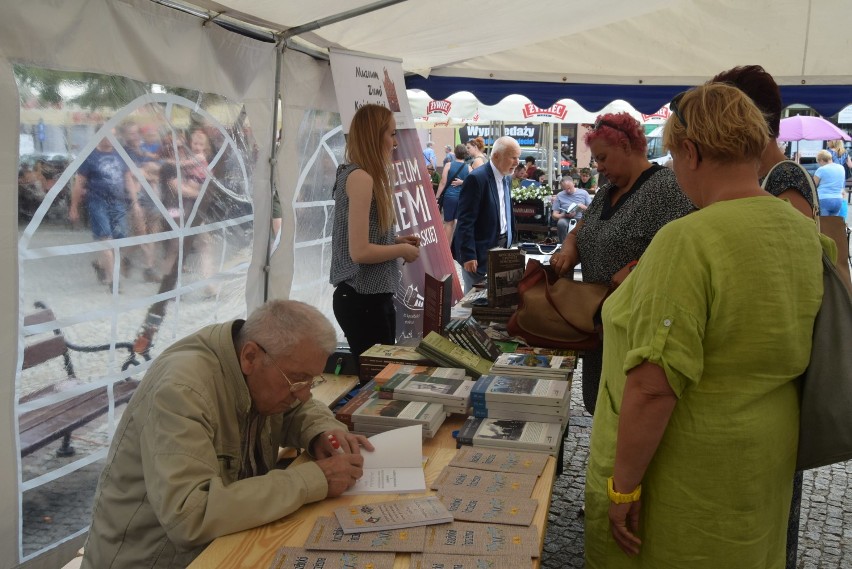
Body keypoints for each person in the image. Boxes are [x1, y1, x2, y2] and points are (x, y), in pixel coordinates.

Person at [584, 82, 824, 569]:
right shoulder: (800, 230)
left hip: (688, 469)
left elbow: (654, 387)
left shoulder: (688, 238)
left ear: (690, 152)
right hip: (763, 456)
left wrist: (623, 486)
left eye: (673, 157)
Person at [81, 300, 372, 569]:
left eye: (312, 380)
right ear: (250, 357)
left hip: (219, 547)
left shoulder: (255, 368)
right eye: (297, 380)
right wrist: (312, 480)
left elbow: (295, 410)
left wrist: (322, 430)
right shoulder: (182, 389)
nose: (305, 393)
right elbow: (191, 515)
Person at [710, 64, 819, 569]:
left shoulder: (785, 179)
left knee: (771, 526)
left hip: (777, 385)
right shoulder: (768, 178)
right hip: (757, 388)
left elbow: (787, 288)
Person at [550, 112, 694, 414]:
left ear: (627, 146)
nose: (599, 167)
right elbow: (579, 232)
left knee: (629, 411)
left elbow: (685, 249)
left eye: (603, 158)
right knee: (600, 406)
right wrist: (567, 250)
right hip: (598, 324)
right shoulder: (605, 192)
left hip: (637, 331)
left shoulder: (668, 188)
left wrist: (638, 268)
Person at [330, 104, 420, 361]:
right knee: (376, 382)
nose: (394, 142)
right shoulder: (361, 178)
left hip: (370, 299)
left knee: (379, 377)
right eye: (391, 134)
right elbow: (359, 251)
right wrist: (401, 249)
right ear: (374, 135)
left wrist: (395, 240)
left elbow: (361, 238)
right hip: (361, 300)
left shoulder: (364, 176)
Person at [453, 135, 521, 292]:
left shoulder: (507, 178)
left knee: (500, 297)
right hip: (480, 254)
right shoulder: (477, 179)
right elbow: (465, 221)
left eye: (518, 158)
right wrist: (469, 254)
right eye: (513, 157)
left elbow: (505, 210)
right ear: (497, 156)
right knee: (476, 303)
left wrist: (512, 242)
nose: (517, 163)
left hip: (504, 248)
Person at [70, 130, 136, 290]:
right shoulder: (90, 157)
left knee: (119, 240)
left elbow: (128, 179)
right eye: (107, 134)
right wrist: (74, 207)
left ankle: (100, 264)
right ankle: (114, 282)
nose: (111, 138)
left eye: (114, 134)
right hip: (97, 203)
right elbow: (79, 184)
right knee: (106, 238)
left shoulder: (121, 155)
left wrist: (135, 203)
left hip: (118, 203)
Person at [435, 143, 470, 243]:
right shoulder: (468, 168)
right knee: (458, 222)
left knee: (448, 223)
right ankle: (456, 249)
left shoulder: (448, 165)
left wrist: (437, 197)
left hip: (449, 197)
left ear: (455, 153)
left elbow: (443, 182)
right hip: (462, 198)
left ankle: (447, 250)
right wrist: (463, 182)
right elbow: (473, 184)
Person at [551, 176, 592, 242]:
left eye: (569, 188)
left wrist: (582, 206)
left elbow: (592, 210)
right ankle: (563, 244)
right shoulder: (560, 195)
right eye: (565, 189)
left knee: (586, 225)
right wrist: (564, 215)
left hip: (581, 218)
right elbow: (554, 215)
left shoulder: (583, 193)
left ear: (573, 184)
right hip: (566, 218)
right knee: (561, 223)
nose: (568, 191)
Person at [814, 149, 846, 216]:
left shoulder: (821, 170)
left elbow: (813, 185)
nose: (819, 164)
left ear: (821, 160)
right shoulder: (841, 168)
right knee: (833, 223)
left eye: (819, 162)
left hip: (824, 199)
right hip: (838, 199)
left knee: (823, 223)